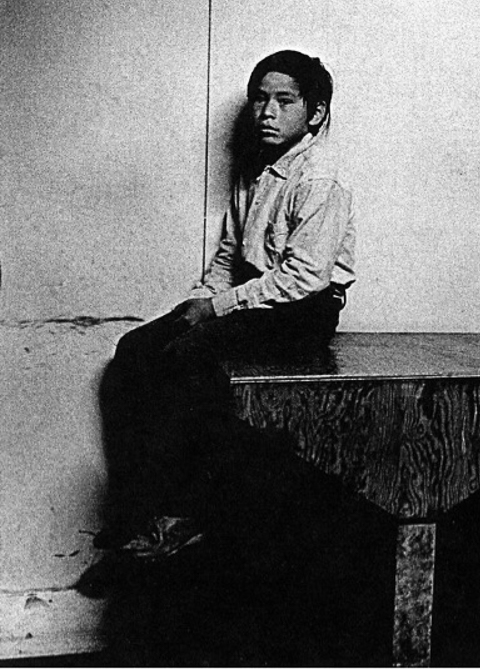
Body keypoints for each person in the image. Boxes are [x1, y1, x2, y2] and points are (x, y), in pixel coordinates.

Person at [96, 50, 356, 560]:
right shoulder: (254, 170)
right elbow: (227, 257)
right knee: (134, 350)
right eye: (259, 99)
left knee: (190, 359)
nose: (267, 112)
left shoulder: (320, 178)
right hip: (251, 297)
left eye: (284, 101)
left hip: (302, 309)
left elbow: (303, 277)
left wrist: (214, 312)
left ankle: (184, 514)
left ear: (315, 113)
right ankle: (137, 515)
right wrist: (199, 301)